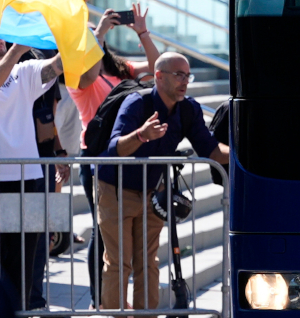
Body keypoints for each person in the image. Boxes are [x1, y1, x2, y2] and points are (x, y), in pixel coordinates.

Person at [97, 53, 227, 312]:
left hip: (151, 191)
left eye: (187, 75)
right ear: (158, 76)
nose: (185, 81)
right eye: (178, 74)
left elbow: (210, 150)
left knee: (148, 262)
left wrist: (246, 155)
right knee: (119, 262)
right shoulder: (137, 104)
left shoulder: (188, 108)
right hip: (115, 189)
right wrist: (141, 135)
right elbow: (114, 149)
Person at [0, 39, 67, 312]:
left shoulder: (23, 70)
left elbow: (58, 65)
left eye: (0, 33)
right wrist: (16, 50)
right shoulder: (15, 58)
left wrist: (83, 31)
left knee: (24, 265)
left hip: (27, 180)